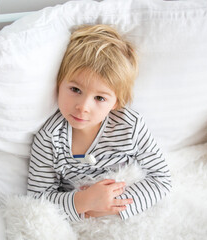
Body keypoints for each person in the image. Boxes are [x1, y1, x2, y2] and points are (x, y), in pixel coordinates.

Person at [27, 24, 172, 222]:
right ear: (59, 82)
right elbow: (38, 198)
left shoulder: (130, 125)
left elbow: (161, 179)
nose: (83, 107)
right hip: (77, 218)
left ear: (116, 103)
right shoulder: (50, 139)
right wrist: (83, 201)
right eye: (75, 90)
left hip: (125, 212)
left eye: (100, 98)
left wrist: (111, 206)